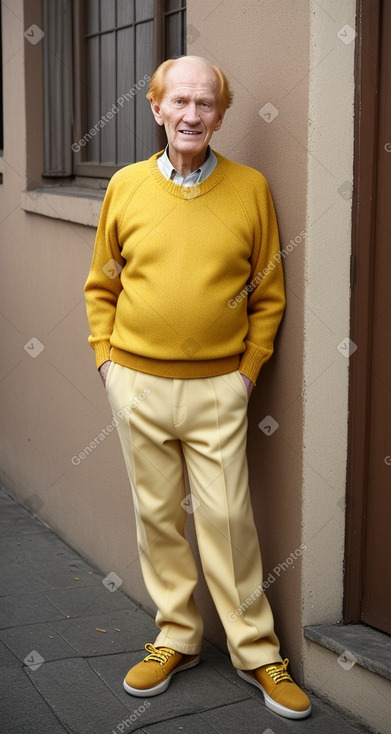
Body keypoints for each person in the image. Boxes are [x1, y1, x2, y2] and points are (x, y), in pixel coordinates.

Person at [84, 55, 311, 721]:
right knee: (157, 517)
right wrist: (107, 362)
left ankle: (256, 650)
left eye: (204, 104)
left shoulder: (249, 189)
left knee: (227, 521)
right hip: (136, 385)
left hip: (218, 389)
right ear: (155, 108)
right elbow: (102, 282)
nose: (191, 115)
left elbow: (267, 296)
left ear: (219, 113)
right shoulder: (124, 187)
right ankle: (175, 637)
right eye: (178, 101)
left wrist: (246, 374)